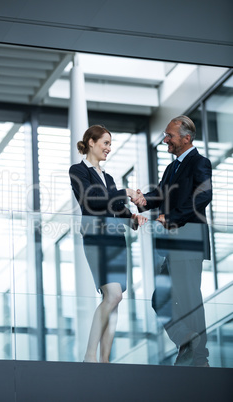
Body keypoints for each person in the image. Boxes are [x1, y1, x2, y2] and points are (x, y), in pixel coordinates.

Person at [136, 115, 212, 367]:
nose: (165, 139)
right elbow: (160, 194)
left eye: (170, 135)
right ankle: (186, 340)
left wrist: (170, 218)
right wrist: (144, 200)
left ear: (186, 138)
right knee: (161, 299)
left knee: (190, 298)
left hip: (188, 239)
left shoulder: (199, 163)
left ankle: (200, 358)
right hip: (172, 243)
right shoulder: (172, 168)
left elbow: (202, 197)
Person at [69, 125, 147, 363]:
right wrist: (125, 191)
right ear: (91, 142)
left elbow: (114, 207)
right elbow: (92, 200)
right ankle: (90, 355)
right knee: (112, 295)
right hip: (96, 237)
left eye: (110, 144)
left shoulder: (109, 177)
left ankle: (104, 360)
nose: (108, 149)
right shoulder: (78, 171)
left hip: (115, 239)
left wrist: (132, 218)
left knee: (115, 300)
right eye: (105, 143)